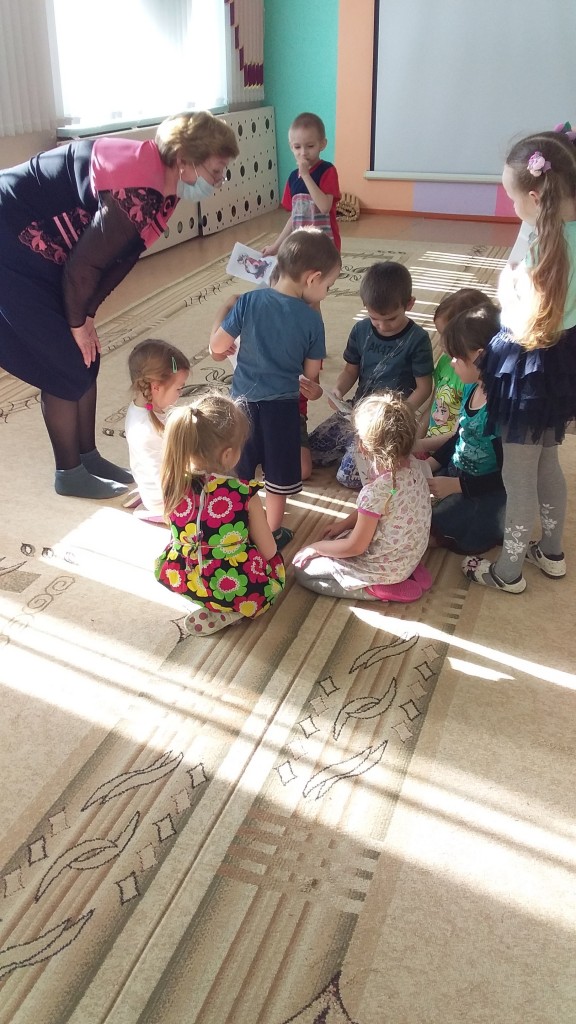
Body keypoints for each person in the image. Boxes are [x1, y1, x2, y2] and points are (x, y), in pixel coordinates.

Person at [0, 110, 239, 498]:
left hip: (42, 246)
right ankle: (68, 472)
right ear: (184, 160)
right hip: (10, 240)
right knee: (62, 362)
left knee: (86, 356)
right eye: (216, 171)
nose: (218, 181)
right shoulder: (139, 191)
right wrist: (76, 322)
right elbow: (83, 267)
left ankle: (87, 456)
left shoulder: (163, 186)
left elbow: (117, 260)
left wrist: (87, 315)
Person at [463, 130, 576, 592]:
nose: (511, 207)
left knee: (519, 475)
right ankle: (551, 551)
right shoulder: (558, 230)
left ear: (535, 197)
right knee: (548, 461)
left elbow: (515, 308)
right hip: (563, 360)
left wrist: (506, 282)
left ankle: (507, 571)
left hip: (527, 364)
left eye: (512, 199)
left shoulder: (539, 247)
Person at [209, 228, 342, 548]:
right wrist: (313, 390)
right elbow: (310, 377)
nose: (326, 293)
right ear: (313, 278)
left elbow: (216, 348)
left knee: (240, 470)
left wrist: (221, 319)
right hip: (282, 411)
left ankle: (236, 525)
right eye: (328, 286)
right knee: (278, 476)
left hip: (241, 406)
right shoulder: (313, 321)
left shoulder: (248, 301)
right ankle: (271, 532)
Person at [154, 392, 285, 636]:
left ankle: (207, 600)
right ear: (227, 454)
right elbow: (269, 551)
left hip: (182, 578)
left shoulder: (172, 483)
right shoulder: (243, 493)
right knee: (276, 570)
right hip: (233, 585)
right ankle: (232, 609)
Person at [293, 391, 433, 602]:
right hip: (410, 553)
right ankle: (411, 570)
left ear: (362, 446)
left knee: (303, 570)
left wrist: (315, 548)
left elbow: (355, 547)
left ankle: (375, 589)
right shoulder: (414, 467)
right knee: (339, 538)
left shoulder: (376, 491)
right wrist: (343, 525)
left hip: (387, 567)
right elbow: (379, 510)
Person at [309, 261, 434, 488]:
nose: (382, 326)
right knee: (311, 453)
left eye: (391, 319)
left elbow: (424, 387)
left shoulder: (418, 339)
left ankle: (392, 456)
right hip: (356, 411)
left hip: (389, 422)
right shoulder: (361, 330)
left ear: (409, 304)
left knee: (348, 476)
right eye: (375, 319)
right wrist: (338, 390)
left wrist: (399, 413)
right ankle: (356, 447)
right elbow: (350, 370)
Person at [424, 303, 506, 555]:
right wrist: (430, 463)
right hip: (457, 473)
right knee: (408, 501)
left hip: (482, 493)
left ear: (479, 357)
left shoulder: (499, 411)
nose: (451, 363)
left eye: (457, 358)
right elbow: (460, 437)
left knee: (430, 529)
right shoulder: (471, 386)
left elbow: (506, 477)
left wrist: (457, 486)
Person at [415, 287, 494, 452]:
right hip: (430, 447)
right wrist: (415, 441)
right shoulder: (445, 362)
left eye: (446, 336)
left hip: (452, 452)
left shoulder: (472, 377)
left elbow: (461, 433)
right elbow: (433, 406)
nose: (440, 344)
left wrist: (420, 447)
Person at [124, 339, 190, 519]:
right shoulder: (145, 430)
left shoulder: (142, 408)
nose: (180, 394)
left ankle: (144, 493)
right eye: (179, 388)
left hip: (159, 484)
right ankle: (150, 509)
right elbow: (165, 483)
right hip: (165, 501)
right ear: (155, 387)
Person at [262, 112, 341, 256]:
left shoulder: (327, 171)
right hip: (301, 248)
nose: (303, 153)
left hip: (325, 247)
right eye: (297, 147)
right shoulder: (293, 177)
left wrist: (305, 175)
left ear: (322, 144)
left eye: (310, 146)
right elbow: (294, 217)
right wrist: (275, 246)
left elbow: (324, 207)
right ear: (291, 147)